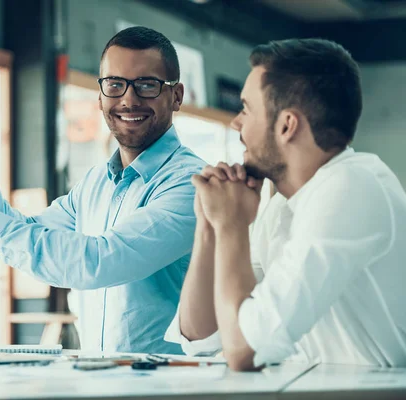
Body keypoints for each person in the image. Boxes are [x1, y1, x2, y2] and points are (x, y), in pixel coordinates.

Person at [0, 27, 205, 354]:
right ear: (100, 95)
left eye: (147, 85)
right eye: (115, 85)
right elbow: (27, 232)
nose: (128, 100)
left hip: (169, 386)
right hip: (100, 380)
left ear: (176, 96)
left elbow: (99, 261)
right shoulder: (95, 184)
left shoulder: (192, 184)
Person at [166, 38, 406, 370]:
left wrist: (232, 226)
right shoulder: (284, 206)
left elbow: (242, 349)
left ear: (287, 125)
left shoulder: (351, 186)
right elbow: (201, 336)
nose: (237, 122)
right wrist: (210, 227)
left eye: (246, 109)